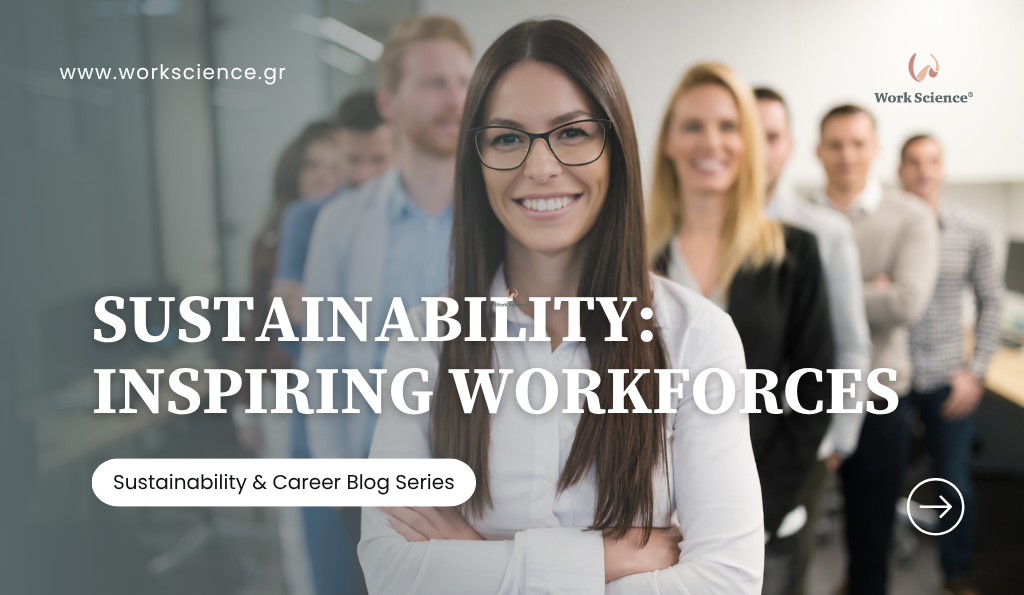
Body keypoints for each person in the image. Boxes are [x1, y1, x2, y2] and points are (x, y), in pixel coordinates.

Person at [358, 19, 764, 594]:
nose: (540, 166)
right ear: (476, 161)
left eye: (571, 132)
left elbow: (727, 581)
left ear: (614, 148)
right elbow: (391, 573)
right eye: (506, 138)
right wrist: (610, 559)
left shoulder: (695, 335)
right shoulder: (428, 337)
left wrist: (473, 559)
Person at [301, 15, 473, 595]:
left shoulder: (505, 216)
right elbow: (322, 355)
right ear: (388, 101)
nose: (454, 99)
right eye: (433, 83)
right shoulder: (342, 222)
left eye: (462, 81)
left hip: (481, 483)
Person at [647, 64, 833, 595]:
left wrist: (752, 518)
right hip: (647, 528)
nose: (712, 142)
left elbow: (813, 397)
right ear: (667, 141)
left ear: (749, 142)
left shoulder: (795, 254)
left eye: (729, 126)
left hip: (763, 523)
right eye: (693, 126)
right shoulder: (630, 259)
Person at [814, 105, 939, 595]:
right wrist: (871, 289)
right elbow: (785, 309)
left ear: (875, 149)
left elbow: (906, 302)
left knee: (872, 540)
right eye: (837, 144)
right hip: (809, 394)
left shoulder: (911, 216)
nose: (848, 155)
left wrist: (824, 296)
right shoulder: (798, 217)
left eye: (858, 144)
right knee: (785, 529)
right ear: (819, 151)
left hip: (879, 396)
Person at [755, 87, 872, 594]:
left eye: (772, 136)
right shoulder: (690, 233)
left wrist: (836, 437)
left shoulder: (820, 233)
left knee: (783, 575)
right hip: (720, 437)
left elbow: (849, 344)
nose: (759, 149)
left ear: (791, 146)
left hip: (800, 441)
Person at [237, 120, 341, 595]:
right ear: (294, 175)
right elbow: (255, 329)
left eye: (333, 166)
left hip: (340, 397)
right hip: (283, 393)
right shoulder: (275, 239)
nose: (325, 176)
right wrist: (246, 404)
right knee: (297, 525)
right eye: (313, 166)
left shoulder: (352, 228)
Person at [900, 134, 1002, 595]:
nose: (924, 171)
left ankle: (955, 574)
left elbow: (992, 303)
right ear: (900, 169)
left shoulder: (971, 230)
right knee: (874, 478)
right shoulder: (886, 225)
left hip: (947, 376)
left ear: (943, 169)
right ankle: (865, 571)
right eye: (914, 162)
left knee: (953, 481)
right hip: (890, 378)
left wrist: (975, 371)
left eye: (932, 162)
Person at [272, 91, 393, 324]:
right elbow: (288, 326)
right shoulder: (305, 219)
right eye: (353, 160)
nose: (365, 175)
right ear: (337, 153)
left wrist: (324, 312)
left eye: (378, 160)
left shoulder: (426, 216)